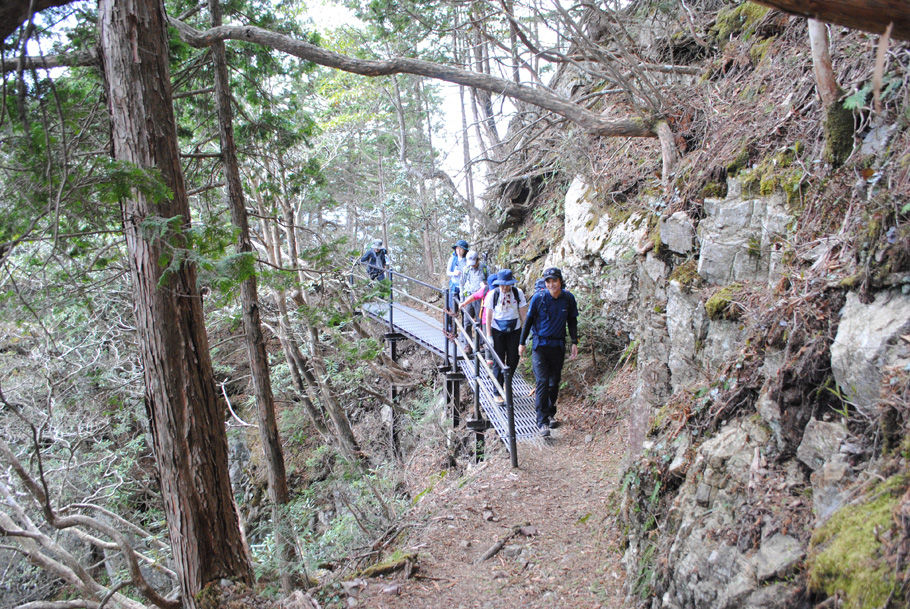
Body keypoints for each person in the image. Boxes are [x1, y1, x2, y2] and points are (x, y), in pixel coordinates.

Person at [519, 267, 578, 436]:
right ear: (545, 283)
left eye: (554, 281)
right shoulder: (539, 298)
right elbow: (528, 321)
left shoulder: (568, 298)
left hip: (558, 346)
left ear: (560, 281)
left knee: (554, 383)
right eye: (548, 281)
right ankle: (542, 421)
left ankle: (550, 413)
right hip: (540, 346)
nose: (551, 284)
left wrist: (574, 341)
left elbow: (572, 320)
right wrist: (522, 342)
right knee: (543, 382)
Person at [484, 269, 527, 402]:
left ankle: (506, 384)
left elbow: (524, 315)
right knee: (499, 360)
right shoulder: (493, 294)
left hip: (515, 330)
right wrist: (489, 335)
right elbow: (489, 316)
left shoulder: (517, 293)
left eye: (507, 284)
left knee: (513, 359)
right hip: (498, 330)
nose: (504, 287)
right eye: (502, 285)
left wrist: (525, 335)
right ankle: (497, 391)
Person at [460, 271, 496, 358]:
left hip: (499, 320)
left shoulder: (502, 291)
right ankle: (489, 362)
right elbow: (475, 296)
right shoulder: (486, 289)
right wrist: (464, 303)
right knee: (488, 341)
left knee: (495, 342)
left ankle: (495, 362)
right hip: (486, 320)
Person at [459, 250, 487, 353]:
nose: (473, 265)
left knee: (480, 321)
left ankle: (480, 344)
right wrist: (462, 298)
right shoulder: (466, 269)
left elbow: (490, 282)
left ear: (478, 260)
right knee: (467, 322)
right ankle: (468, 345)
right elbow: (461, 283)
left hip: (480, 298)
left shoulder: (484, 268)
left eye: (474, 263)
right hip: (469, 297)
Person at [445, 239, 469, 334]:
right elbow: (447, 272)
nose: (458, 251)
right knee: (452, 308)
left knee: (464, 309)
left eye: (461, 249)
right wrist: (454, 273)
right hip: (454, 286)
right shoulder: (452, 259)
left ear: (464, 250)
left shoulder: (467, 260)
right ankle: (451, 330)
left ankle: (464, 332)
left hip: (464, 287)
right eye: (457, 248)